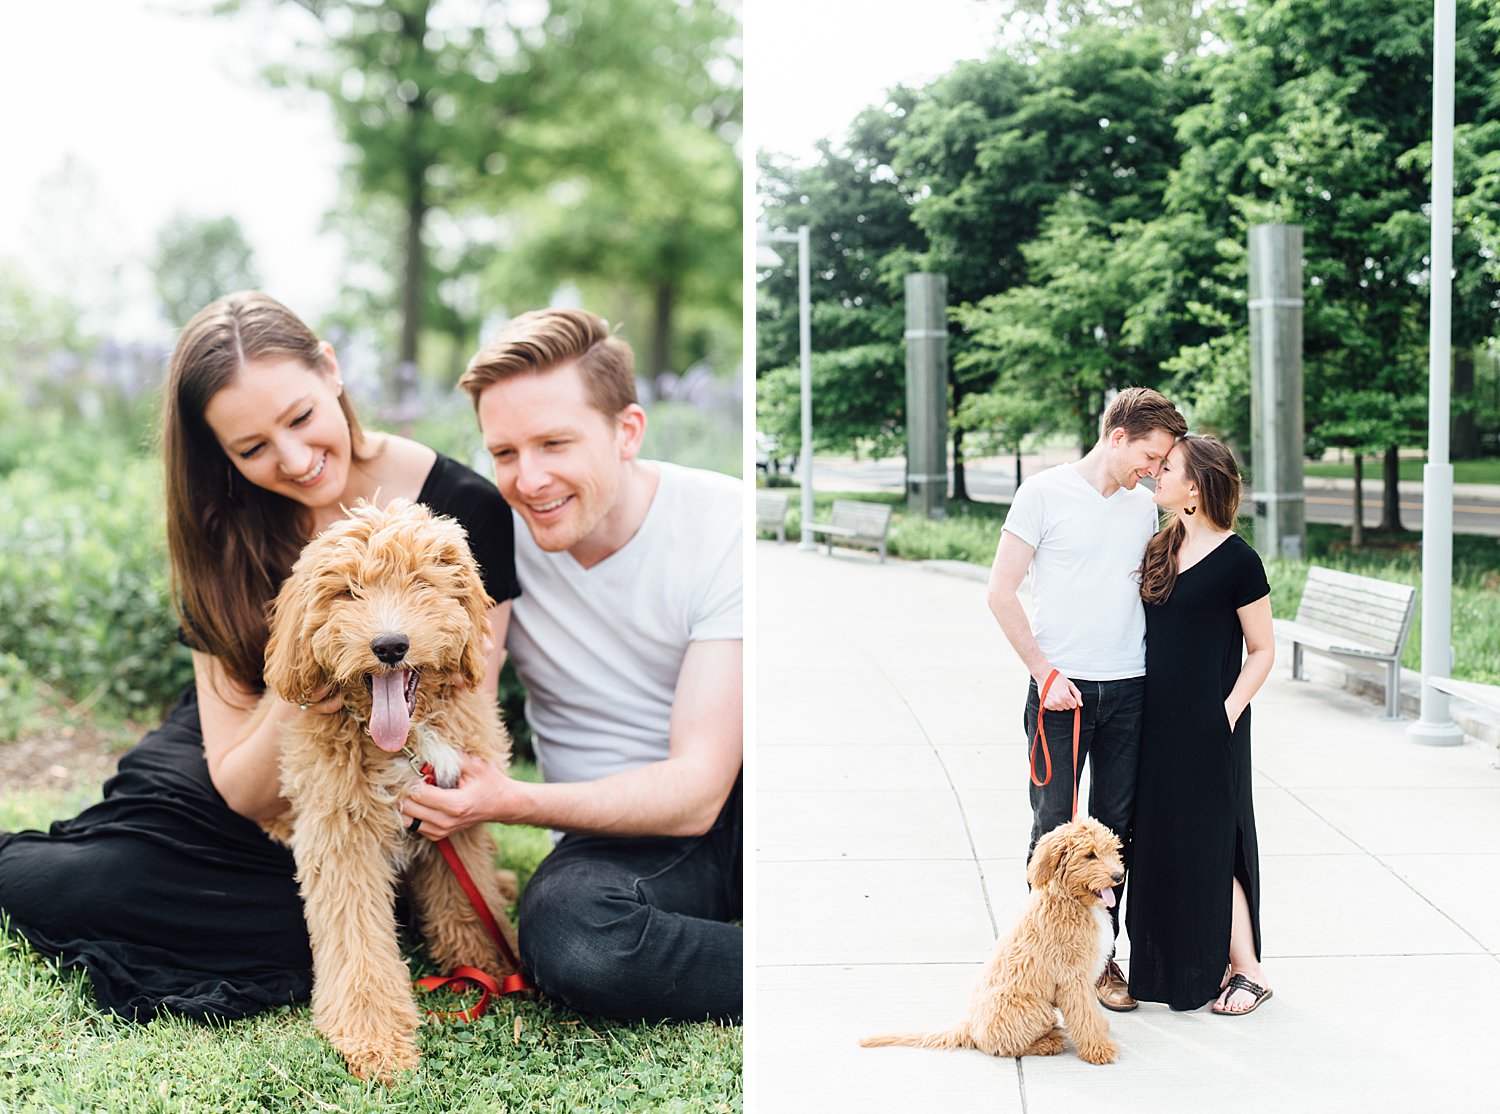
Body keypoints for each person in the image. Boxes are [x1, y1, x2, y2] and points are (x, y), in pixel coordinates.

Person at [0, 291, 519, 1021]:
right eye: (253, 449)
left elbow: (464, 699)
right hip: (237, 760)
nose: (297, 460)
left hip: (395, 722)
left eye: (302, 417)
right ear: (221, 455)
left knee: (297, 915)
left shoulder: (465, 508)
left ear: (331, 371)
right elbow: (242, 786)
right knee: (90, 887)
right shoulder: (218, 530)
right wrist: (309, 667)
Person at [401, 307, 742, 1025]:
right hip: (612, 841)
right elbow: (457, 687)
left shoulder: (722, 522)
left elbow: (699, 791)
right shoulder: (490, 542)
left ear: (627, 431)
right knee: (569, 936)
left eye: (556, 442)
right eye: (504, 453)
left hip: (741, 802)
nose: (529, 480)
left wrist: (511, 800)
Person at [986, 387, 1186, 1013]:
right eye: (1150, 456)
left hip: (1130, 689)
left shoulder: (1141, 507)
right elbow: (1000, 592)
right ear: (1118, 436)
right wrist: (1044, 673)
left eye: (1163, 462)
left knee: (1116, 836)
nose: (1154, 471)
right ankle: (1037, 961)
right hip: (1058, 692)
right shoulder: (1043, 494)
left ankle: (1103, 962)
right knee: (1053, 834)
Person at [1125, 434, 1275, 1014]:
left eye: (1168, 469)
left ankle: (1249, 970)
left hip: (1212, 727)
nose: (1156, 476)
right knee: (1163, 845)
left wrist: (1227, 714)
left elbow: (1262, 650)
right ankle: (1173, 970)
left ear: (1196, 486)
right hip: (1154, 727)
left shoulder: (1240, 561)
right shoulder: (1161, 545)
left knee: (1217, 844)